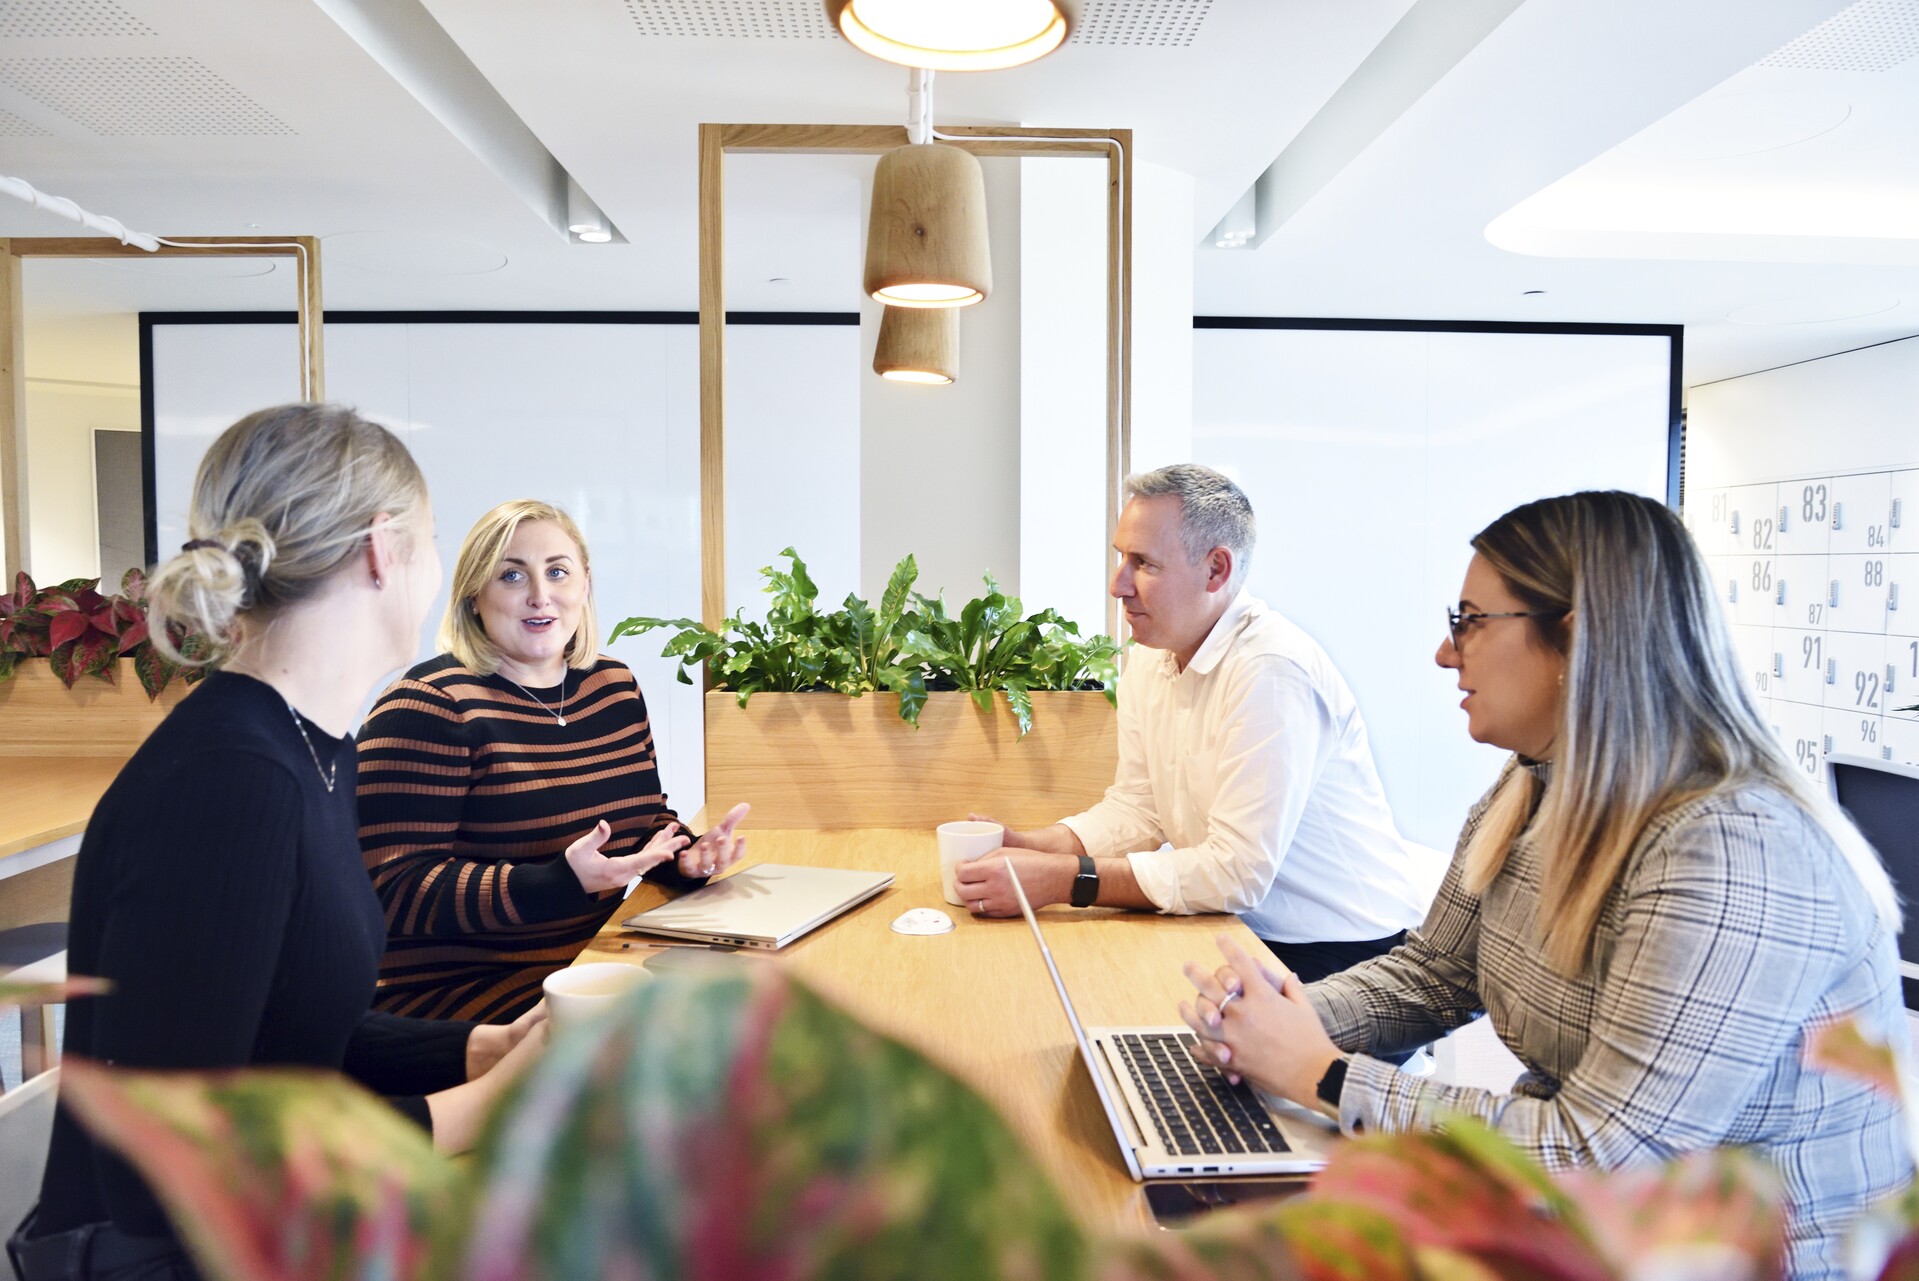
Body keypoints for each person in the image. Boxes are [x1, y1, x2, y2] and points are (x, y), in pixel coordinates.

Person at [1178, 490, 1910, 1281]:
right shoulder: (1533, 784)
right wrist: (1268, 1021)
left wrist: (1321, 1074)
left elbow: (1598, 1155)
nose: (1444, 652)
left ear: (1576, 639)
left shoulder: (1733, 847)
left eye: (1468, 621)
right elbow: (1434, 974)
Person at [16, 405, 545, 1281]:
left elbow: (291, 1030)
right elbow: (172, 1172)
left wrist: (473, 1049)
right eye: (434, 538)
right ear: (382, 547)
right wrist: (476, 1111)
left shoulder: (312, 748)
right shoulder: (230, 781)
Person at [958, 464, 1436, 983]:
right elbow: (1139, 811)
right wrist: (1036, 846)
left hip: (1348, 954)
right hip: (1239, 928)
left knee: (1135, 1023)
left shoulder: (1270, 671)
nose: (1118, 585)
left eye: (1143, 563)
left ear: (1216, 570)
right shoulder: (1151, 655)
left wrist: (1067, 880)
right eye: (1120, 557)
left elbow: (1235, 873)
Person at [357, 499, 747, 1024]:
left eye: (557, 572)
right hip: (462, 992)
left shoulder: (613, 687)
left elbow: (640, 822)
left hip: (596, 960)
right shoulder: (431, 704)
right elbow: (389, 890)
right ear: (475, 595)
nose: (540, 596)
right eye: (512, 575)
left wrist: (686, 858)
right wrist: (559, 882)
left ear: (584, 583)